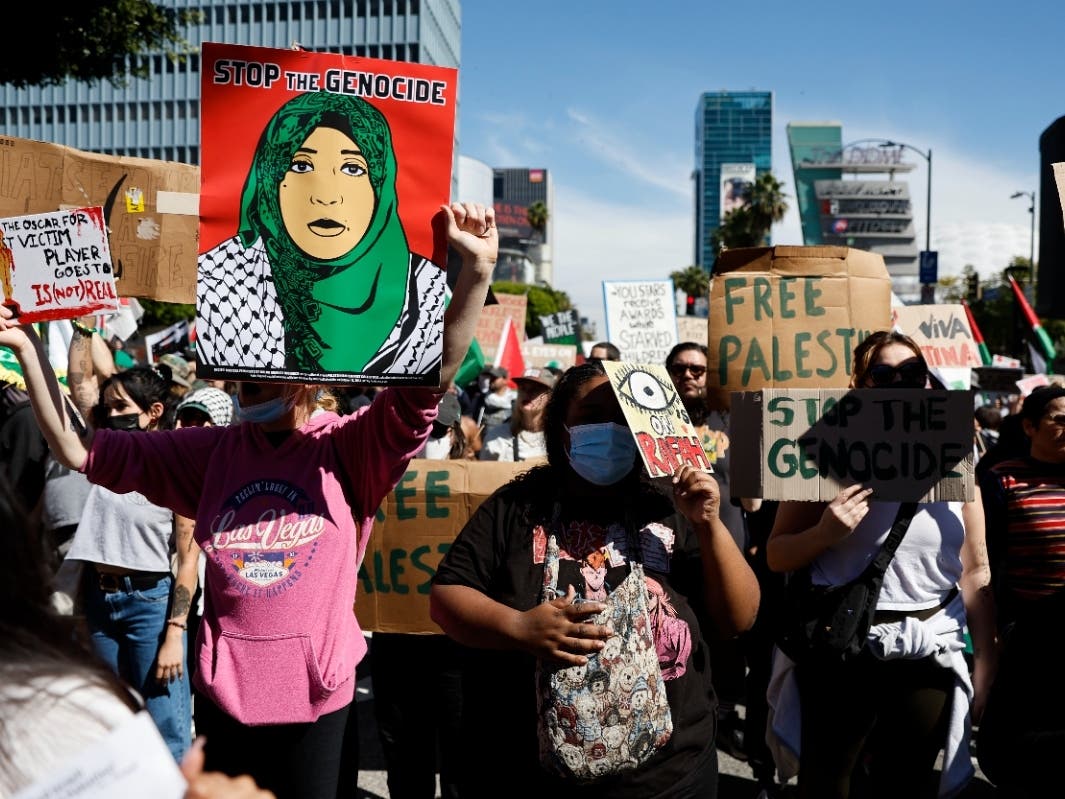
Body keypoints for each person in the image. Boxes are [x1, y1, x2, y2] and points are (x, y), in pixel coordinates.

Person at [0, 201, 496, 799]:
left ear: (310, 373)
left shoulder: (350, 449)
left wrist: (475, 274)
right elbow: (82, 453)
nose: (247, 383)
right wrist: (29, 353)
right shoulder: (210, 452)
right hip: (223, 698)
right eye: (240, 374)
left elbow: (428, 381)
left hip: (315, 702)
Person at [430, 360, 760, 798]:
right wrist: (519, 628)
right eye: (592, 418)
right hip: (536, 771)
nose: (611, 428)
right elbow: (446, 596)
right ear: (560, 429)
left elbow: (740, 617)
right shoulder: (517, 507)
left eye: (623, 418)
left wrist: (709, 524)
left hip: (671, 774)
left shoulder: (671, 505)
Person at [766, 330, 996, 799]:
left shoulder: (957, 460)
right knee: (829, 783)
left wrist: (987, 661)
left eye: (912, 371)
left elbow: (976, 570)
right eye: (884, 373)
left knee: (905, 782)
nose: (900, 381)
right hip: (841, 647)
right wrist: (824, 533)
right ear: (862, 386)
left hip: (928, 646)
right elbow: (776, 553)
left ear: (928, 381)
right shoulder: (825, 452)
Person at [197, 91, 447, 378]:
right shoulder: (221, 280)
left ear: (380, 184)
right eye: (301, 166)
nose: (327, 197)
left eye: (353, 168)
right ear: (272, 181)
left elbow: (433, 387)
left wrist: (478, 271)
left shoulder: (423, 289)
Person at [371, 391, 467, 799]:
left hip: (458, 647)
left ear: (455, 434)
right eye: (421, 428)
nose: (430, 437)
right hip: (395, 641)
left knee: (462, 750)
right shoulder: (374, 477)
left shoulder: (476, 485)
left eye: (439, 429)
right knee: (405, 751)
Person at [664, 343, 751, 766]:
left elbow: (752, 502)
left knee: (727, 638)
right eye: (679, 368)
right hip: (671, 553)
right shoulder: (653, 423)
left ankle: (723, 714)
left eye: (698, 369)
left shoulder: (734, 419)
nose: (689, 376)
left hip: (726, 548)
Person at [976, 385, 1065, 794]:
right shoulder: (1001, 479)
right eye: (1059, 418)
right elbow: (984, 558)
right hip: (1027, 633)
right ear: (1029, 425)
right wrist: (992, 632)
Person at [478, 367, 553, 462]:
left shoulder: (560, 439)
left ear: (550, 397)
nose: (527, 393)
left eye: (535, 389)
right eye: (523, 388)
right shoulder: (496, 437)